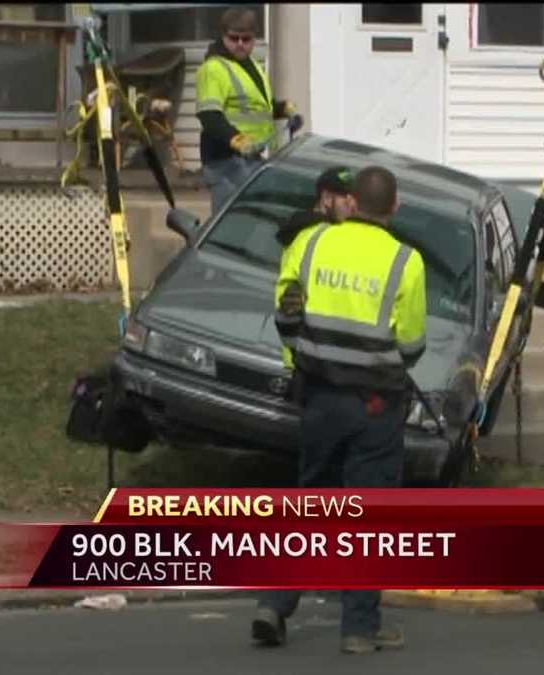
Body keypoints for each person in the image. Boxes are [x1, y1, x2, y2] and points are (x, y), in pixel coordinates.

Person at [261, 165, 427, 655]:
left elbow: (286, 314)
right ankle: (358, 628)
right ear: (394, 208)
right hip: (374, 403)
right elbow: (412, 344)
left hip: (319, 396)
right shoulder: (406, 261)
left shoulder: (312, 243)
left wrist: (308, 356)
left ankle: (274, 604)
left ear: (351, 202)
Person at [195, 7, 297, 215]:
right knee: (231, 221)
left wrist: (281, 109)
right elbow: (209, 115)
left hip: (250, 157)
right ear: (223, 36)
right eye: (234, 38)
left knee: (251, 218)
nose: (240, 44)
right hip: (225, 160)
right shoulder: (214, 68)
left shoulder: (251, 65)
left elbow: (254, 107)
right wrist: (236, 139)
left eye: (246, 39)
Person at [274, 166, 356, 247]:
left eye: (356, 198)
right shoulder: (322, 238)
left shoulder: (298, 227)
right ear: (327, 197)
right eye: (346, 198)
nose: (353, 204)